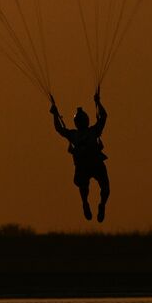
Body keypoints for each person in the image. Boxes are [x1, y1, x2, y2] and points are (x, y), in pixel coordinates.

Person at [50, 90, 110, 222]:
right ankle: (98, 204)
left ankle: (87, 203)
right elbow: (104, 116)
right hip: (94, 163)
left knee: (86, 187)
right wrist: (98, 102)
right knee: (104, 188)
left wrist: (54, 114)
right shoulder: (93, 131)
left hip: (85, 166)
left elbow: (59, 129)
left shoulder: (74, 135)